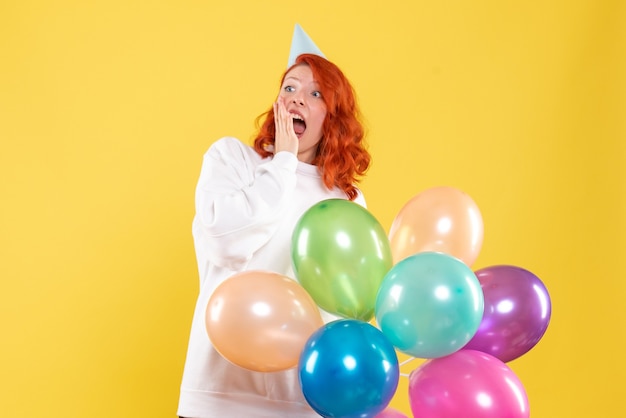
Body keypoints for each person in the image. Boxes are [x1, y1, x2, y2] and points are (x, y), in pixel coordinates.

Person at [177, 32, 371, 417]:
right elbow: (226, 242)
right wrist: (283, 162)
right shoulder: (233, 159)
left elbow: (350, 305)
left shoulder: (344, 200)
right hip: (217, 396)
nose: (297, 97)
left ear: (333, 118)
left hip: (304, 401)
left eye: (316, 94)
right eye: (290, 87)